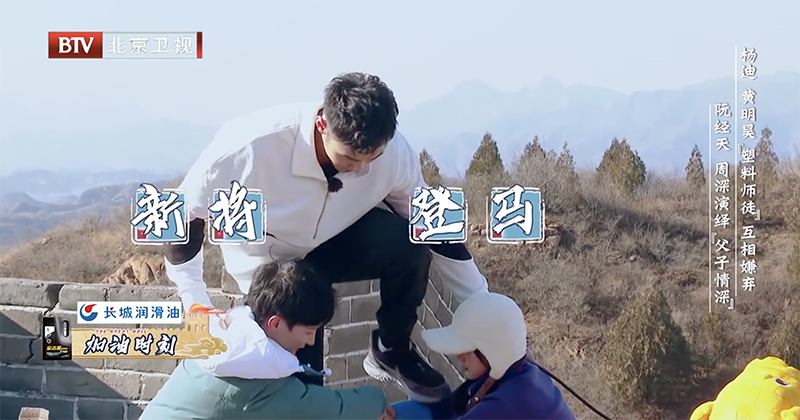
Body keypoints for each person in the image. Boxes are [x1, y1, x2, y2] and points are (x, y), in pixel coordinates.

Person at [163, 72, 489, 402]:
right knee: (301, 379)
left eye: (371, 159)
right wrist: (195, 302)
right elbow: (181, 216)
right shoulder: (247, 148)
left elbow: (434, 227)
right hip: (270, 260)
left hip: (334, 240)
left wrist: (483, 303)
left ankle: (391, 348)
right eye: (349, 158)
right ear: (322, 124)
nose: (360, 170)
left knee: (410, 243)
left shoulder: (395, 154)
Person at [140, 259, 391, 420]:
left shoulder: (226, 340)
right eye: (308, 331)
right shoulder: (257, 379)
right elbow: (329, 410)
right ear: (275, 323)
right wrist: (378, 403)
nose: (311, 342)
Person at [388, 292, 577, 420]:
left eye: (466, 349)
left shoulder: (507, 404)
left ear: (490, 353)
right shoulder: (513, 371)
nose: (459, 356)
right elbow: (450, 408)